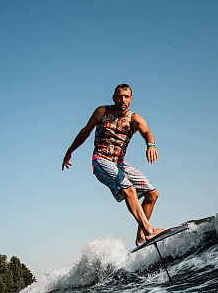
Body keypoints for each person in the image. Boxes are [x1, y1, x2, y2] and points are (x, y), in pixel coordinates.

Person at [62, 83, 164, 245]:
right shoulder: (102, 111)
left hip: (119, 164)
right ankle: (149, 230)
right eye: (119, 96)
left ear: (131, 99)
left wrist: (150, 145)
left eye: (126, 97)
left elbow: (147, 132)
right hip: (101, 160)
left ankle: (141, 235)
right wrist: (69, 151)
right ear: (114, 98)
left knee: (152, 194)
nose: (122, 100)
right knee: (129, 190)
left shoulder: (135, 119)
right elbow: (85, 131)